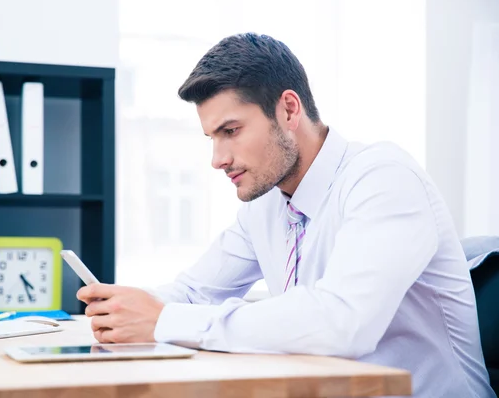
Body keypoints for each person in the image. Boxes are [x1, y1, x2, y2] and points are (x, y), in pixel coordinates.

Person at [77, 33, 495, 397]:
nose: (217, 159)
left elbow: (343, 323)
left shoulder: (384, 180)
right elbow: (196, 292)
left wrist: (165, 320)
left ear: (289, 111)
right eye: (211, 138)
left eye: (231, 131)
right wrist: (129, 308)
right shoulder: (267, 204)